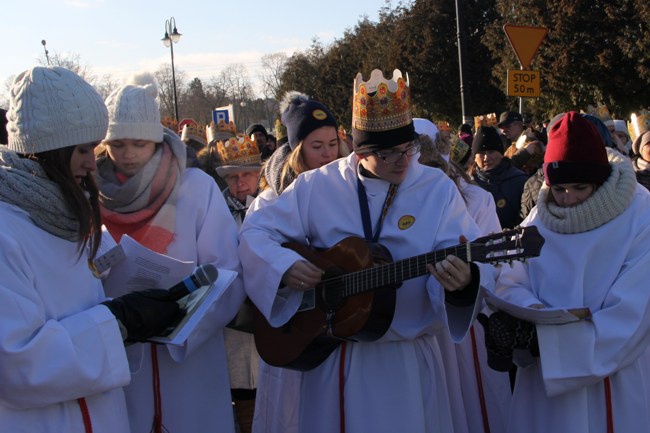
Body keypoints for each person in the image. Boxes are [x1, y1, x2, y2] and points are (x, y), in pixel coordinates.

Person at [240, 69, 493, 433]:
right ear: (359, 151)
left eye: (408, 149)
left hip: (405, 361)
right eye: (387, 154)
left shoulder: (436, 189)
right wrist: (284, 266)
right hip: (332, 359)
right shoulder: (318, 186)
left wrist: (463, 283)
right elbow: (255, 231)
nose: (403, 162)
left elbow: (461, 257)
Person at [0, 66, 183, 432]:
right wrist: (118, 321)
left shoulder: (59, 213)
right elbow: (16, 362)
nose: (91, 162)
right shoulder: (8, 231)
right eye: (83, 149)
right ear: (48, 151)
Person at [481, 111, 650, 433]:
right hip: (542, 380)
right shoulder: (541, 216)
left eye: (580, 187)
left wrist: (547, 340)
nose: (568, 199)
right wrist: (525, 318)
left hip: (611, 378)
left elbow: (633, 313)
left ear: (599, 180)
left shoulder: (639, 215)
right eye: (559, 189)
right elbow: (511, 276)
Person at [95, 72, 245, 433]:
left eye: (139, 143)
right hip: (121, 349)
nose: (128, 155)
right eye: (118, 144)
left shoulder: (195, 188)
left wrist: (183, 324)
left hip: (188, 358)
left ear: (158, 140)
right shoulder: (90, 192)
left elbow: (226, 273)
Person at [249, 91, 348, 433]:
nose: (327, 154)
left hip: (335, 329)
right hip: (293, 332)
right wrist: (284, 266)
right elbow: (252, 240)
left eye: (333, 144)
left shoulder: (350, 189)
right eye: (316, 145)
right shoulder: (273, 198)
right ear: (297, 149)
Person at [415, 118, 510, 433]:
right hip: (414, 324)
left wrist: (468, 280)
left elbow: (493, 263)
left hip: (462, 322)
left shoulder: (474, 199)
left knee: (469, 402)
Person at [207, 128, 263, 433]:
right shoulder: (214, 212)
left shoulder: (272, 206)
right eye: (232, 178)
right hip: (233, 321)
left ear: (258, 174)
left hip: (267, 316)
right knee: (240, 385)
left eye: (246, 175)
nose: (240, 183)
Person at [469, 126, 528, 229]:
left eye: (491, 151)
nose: (487, 157)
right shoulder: (468, 183)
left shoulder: (520, 181)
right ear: (475, 157)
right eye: (482, 153)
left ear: (501, 153)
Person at [499, 111, 544, 175]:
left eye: (507, 126)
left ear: (519, 125)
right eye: (501, 128)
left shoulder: (533, 144)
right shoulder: (509, 148)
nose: (503, 130)